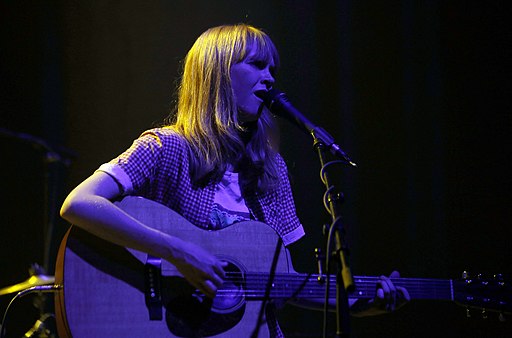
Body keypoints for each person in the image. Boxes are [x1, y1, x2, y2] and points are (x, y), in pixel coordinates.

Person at [60, 24, 409, 337]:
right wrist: (179, 253)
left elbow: (282, 284)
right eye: (257, 65)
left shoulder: (271, 169)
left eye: (274, 69)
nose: (270, 78)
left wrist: (359, 302)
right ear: (217, 74)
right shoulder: (166, 147)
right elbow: (78, 203)